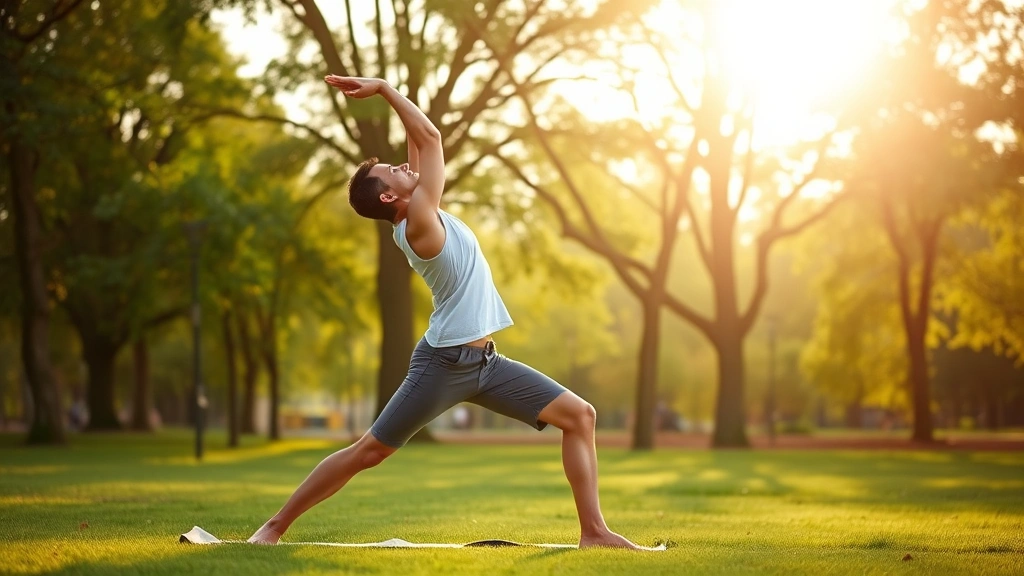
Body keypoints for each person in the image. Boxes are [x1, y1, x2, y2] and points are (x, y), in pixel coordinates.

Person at [246, 75, 639, 550]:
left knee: (580, 416)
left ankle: (594, 533)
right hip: (443, 364)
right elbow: (429, 139)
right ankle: (274, 527)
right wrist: (386, 89)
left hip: (487, 365)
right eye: (392, 172)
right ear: (390, 198)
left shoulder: (419, 208)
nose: (401, 166)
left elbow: (418, 144)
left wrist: (397, 110)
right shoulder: (419, 224)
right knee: (370, 451)